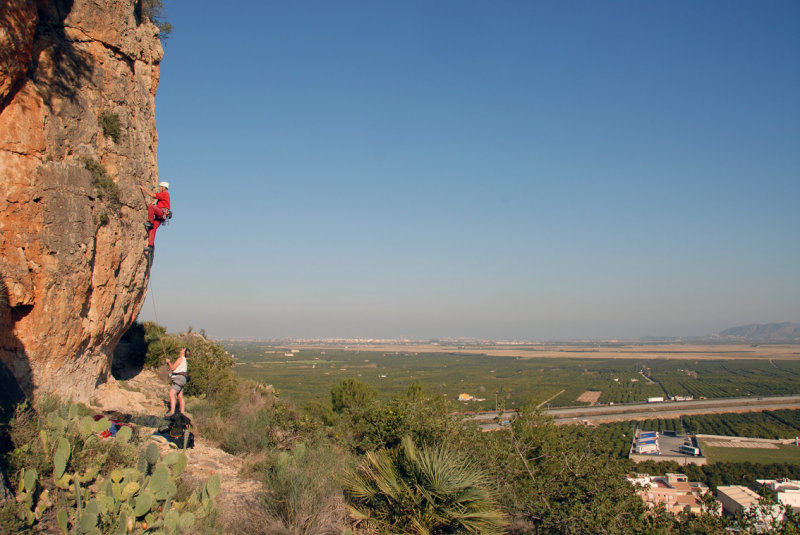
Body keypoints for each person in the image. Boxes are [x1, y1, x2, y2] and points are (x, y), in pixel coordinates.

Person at [139, 181, 170, 253]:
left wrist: (143, 189)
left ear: (164, 188)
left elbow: (153, 195)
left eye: (160, 187)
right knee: (153, 229)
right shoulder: (165, 194)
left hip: (161, 213)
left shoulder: (164, 194)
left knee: (151, 207)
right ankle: (150, 246)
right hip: (162, 216)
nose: (159, 188)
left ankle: (151, 222)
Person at [165, 347, 189, 417]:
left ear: (183, 352)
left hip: (179, 378)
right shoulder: (184, 360)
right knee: (180, 395)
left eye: (182, 349)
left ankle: (172, 412)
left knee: (171, 393)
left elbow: (172, 368)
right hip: (183, 379)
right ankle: (182, 413)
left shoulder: (180, 359)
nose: (181, 349)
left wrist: (168, 362)